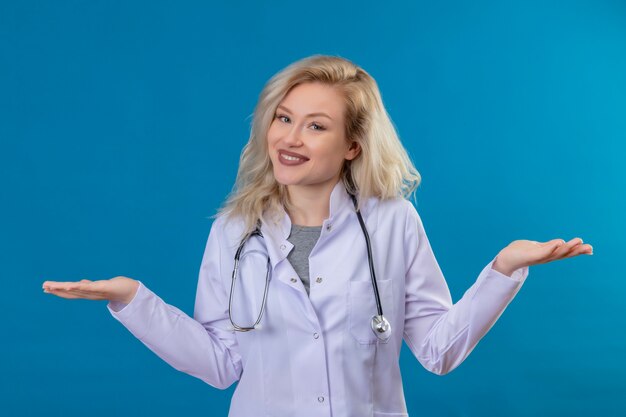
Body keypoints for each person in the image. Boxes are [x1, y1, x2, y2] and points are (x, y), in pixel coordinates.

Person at [42, 54, 593, 417]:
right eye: (284, 118)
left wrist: (502, 272)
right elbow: (219, 364)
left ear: (353, 144)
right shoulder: (235, 230)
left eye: (316, 125)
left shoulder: (392, 222)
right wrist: (132, 300)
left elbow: (437, 351)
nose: (291, 138)